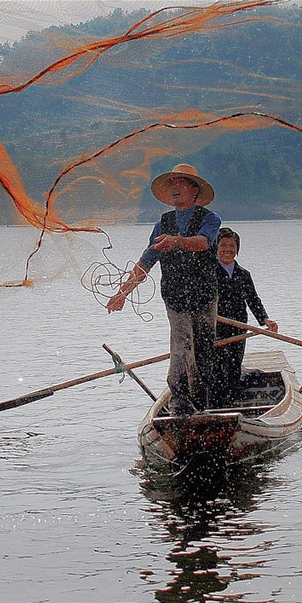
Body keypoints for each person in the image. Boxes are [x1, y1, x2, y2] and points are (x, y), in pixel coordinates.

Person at [107, 164, 222, 415]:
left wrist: (177, 241)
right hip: (175, 296)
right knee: (181, 346)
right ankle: (180, 402)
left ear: (194, 190)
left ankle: (202, 402)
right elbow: (145, 262)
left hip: (204, 294)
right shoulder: (163, 224)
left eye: (180, 182)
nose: (175, 188)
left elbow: (203, 243)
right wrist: (122, 293)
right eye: (171, 184)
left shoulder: (210, 219)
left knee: (202, 347)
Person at [211, 227, 278, 408]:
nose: (227, 249)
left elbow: (253, 300)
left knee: (233, 367)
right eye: (223, 245)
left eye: (232, 246)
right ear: (215, 248)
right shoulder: (208, 273)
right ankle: (216, 406)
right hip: (215, 329)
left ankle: (230, 405)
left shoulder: (243, 274)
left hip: (239, 328)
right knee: (217, 369)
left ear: (237, 249)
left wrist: (265, 320)